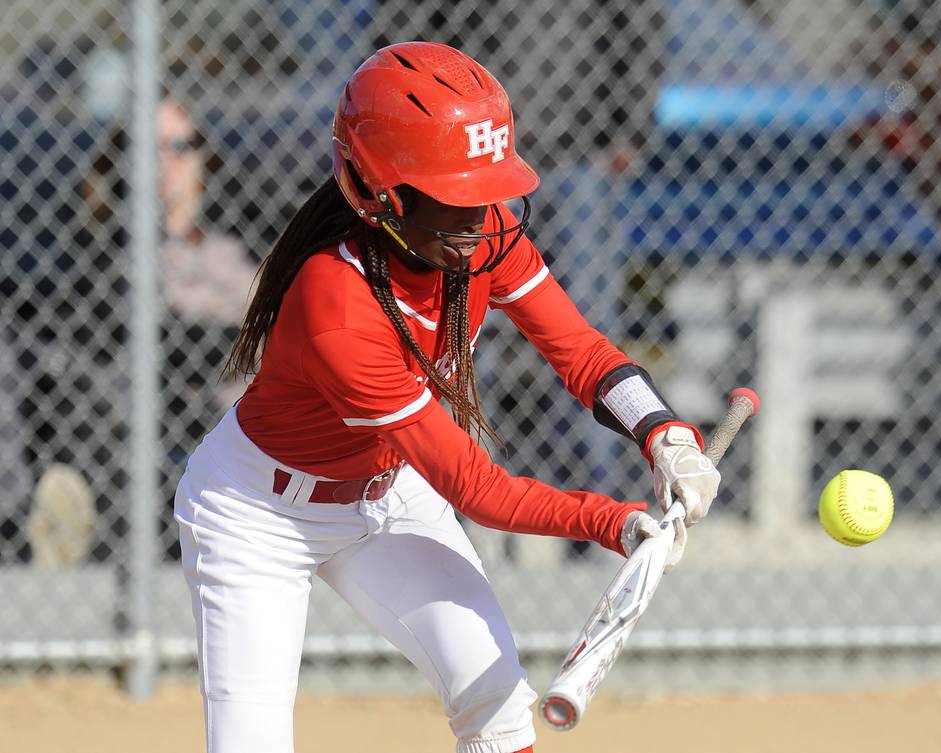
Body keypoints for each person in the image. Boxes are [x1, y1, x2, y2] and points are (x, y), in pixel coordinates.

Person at [173, 42, 721, 753]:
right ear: (377, 194)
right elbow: (475, 485)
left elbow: (580, 350)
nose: (479, 215)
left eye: (486, 188)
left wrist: (664, 434)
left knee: (493, 696)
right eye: (453, 196)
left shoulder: (480, 238)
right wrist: (611, 520)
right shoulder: (336, 303)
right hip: (258, 515)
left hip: (387, 489)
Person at [156, 95, 258, 557]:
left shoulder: (238, 242)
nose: (168, 161)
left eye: (182, 145)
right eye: (152, 146)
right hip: (173, 411)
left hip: (246, 403)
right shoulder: (114, 252)